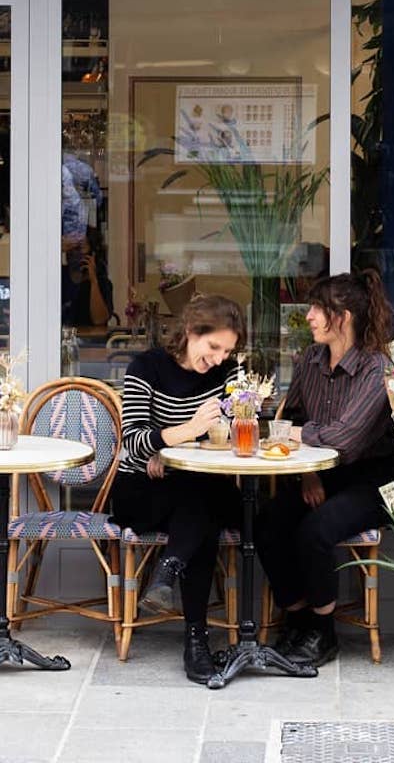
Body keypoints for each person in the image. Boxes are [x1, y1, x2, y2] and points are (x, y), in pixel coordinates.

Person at [256, 270, 394, 668]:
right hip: (319, 473)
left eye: (318, 309)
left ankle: (323, 632)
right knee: (267, 522)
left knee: (315, 531)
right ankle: (298, 618)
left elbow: (345, 439)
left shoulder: (376, 368)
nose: (310, 317)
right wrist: (308, 473)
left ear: (344, 316)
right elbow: (289, 419)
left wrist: (299, 435)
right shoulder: (310, 360)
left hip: (372, 479)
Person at [110, 293, 245, 684]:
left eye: (228, 350)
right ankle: (196, 640)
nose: (220, 358)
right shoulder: (146, 367)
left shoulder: (229, 373)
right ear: (190, 331)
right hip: (142, 488)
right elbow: (134, 443)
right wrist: (183, 434)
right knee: (203, 507)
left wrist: (168, 447)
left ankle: (169, 571)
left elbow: (237, 437)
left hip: (197, 485)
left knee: (201, 501)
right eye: (213, 346)